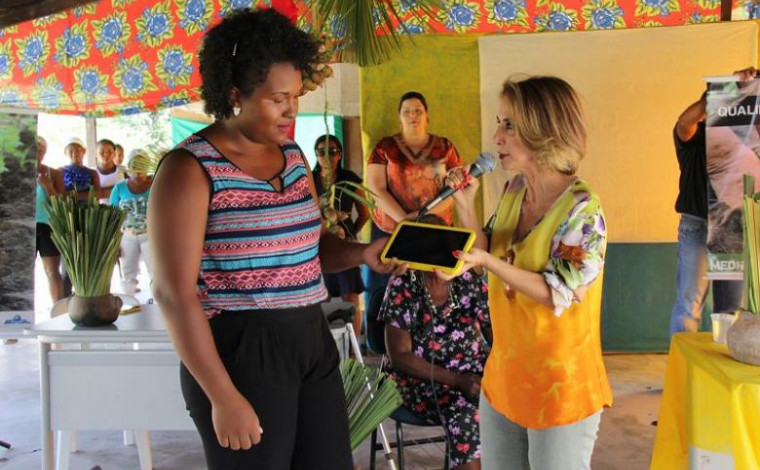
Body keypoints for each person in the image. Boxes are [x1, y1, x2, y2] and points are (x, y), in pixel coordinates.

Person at [147, 9, 402, 470]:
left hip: (310, 337)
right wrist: (222, 395)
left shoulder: (292, 155)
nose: (292, 111)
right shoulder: (189, 169)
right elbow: (173, 293)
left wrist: (362, 253)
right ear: (235, 94)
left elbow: (311, 245)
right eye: (277, 99)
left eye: (297, 96)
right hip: (240, 351)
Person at [446, 76, 612, 470]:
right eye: (498, 123)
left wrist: (487, 263)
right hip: (505, 376)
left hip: (561, 387)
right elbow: (487, 251)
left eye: (510, 125)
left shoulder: (583, 209)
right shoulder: (514, 190)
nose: (496, 138)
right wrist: (465, 206)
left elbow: (558, 291)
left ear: (545, 132)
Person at [380, 216, 492, 470]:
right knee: (466, 417)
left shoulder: (468, 280)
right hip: (421, 382)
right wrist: (458, 381)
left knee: (514, 403)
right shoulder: (403, 284)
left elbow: (497, 337)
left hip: (474, 376)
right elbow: (399, 356)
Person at [668, 67, 755, 336]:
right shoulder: (695, 136)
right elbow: (684, 122)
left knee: (729, 310)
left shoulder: (744, 143)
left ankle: (723, 357)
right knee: (689, 303)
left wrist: (749, 87)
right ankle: (683, 360)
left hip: (732, 225)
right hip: (696, 224)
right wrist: (722, 91)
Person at [365, 91, 463, 303]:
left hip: (435, 231)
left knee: (436, 293)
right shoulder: (385, 148)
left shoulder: (445, 147)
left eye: (418, 111)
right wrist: (405, 221)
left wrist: (420, 217)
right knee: (388, 296)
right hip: (392, 231)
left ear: (427, 116)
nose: (413, 115)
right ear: (399, 117)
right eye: (407, 111)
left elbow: (456, 189)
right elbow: (376, 187)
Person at [312, 134, 370, 335]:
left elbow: (364, 214)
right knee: (322, 296)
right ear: (316, 155)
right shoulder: (309, 180)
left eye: (332, 151)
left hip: (344, 245)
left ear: (340, 154)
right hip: (319, 245)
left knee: (350, 295)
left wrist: (350, 233)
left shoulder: (350, 179)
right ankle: (325, 342)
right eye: (322, 152)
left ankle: (354, 348)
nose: (327, 156)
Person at [109, 149, 153, 295]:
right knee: (128, 273)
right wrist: (114, 243)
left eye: (142, 166)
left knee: (156, 272)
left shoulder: (157, 184)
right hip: (127, 235)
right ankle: (130, 302)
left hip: (151, 235)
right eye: (134, 167)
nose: (138, 172)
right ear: (128, 168)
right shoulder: (119, 188)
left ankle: (157, 304)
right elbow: (112, 217)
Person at [35, 136, 65, 302]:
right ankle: (20, 313)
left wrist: (47, 185)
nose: (36, 153)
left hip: (48, 226)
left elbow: (62, 204)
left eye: (40, 150)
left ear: (44, 152)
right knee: (20, 272)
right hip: (23, 228)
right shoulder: (14, 173)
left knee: (52, 271)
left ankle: (57, 310)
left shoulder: (54, 173)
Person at [58, 136, 100, 202]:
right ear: (66, 153)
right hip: (66, 208)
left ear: (84, 151)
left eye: (77, 150)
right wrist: (86, 195)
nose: (74, 153)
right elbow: (58, 195)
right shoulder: (60, 171)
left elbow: (97, 195)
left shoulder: (92, 173)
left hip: (88, 208)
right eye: (71, 151)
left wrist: (68, 195)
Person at [94, 138, 126, 203]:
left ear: (114, 153)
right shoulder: (91, 172)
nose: (106, 154)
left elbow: (132, 188)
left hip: (121, 209)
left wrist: (101, 193)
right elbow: (90, 195)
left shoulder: (123, 170)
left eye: (109, 152)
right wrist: (119, 189)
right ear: (96, 154)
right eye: (101, 152)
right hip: (99, 209)